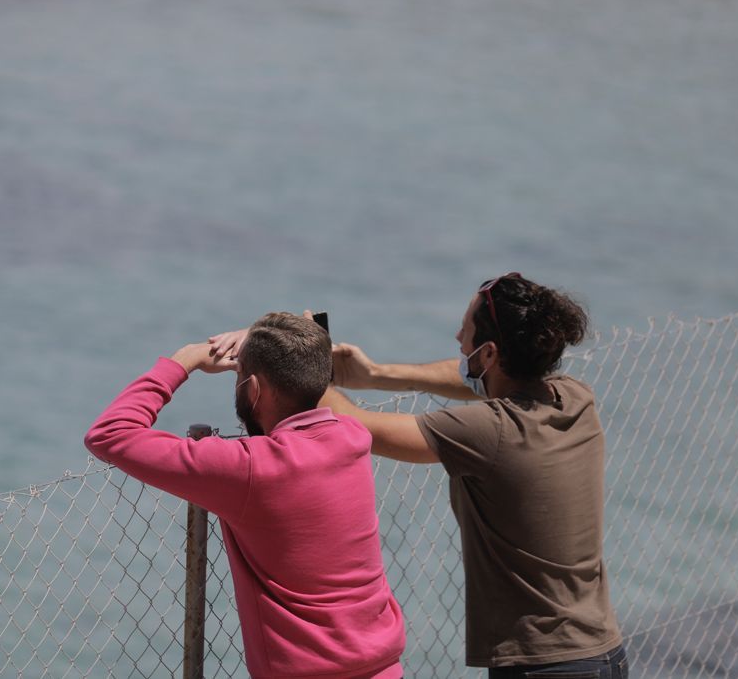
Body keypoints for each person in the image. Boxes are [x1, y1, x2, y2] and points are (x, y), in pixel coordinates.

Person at [210, 274, 626, 678]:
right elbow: (470, 381)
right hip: (602, 649)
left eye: (464, 334)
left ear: (489, 355)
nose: (456, 342)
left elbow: (355, 425)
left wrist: (297, 362)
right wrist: (376, 375)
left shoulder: (489, 431)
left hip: (544, 664)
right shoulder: (573, 397)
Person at [85, 312, 406, 679]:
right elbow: (306, 353)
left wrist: (184, 361)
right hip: (383, 666)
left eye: (240, 378)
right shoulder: (351, 436)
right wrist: (260, 337)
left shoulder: (248, 468)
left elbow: (109, 433)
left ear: (252, 389)